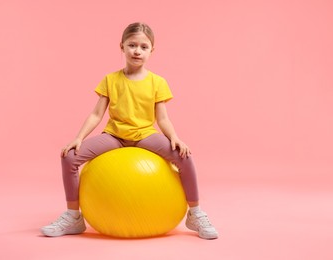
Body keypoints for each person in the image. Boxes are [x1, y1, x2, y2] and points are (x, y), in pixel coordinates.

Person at [41, 22, 218, 240]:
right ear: (122, 47)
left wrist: (175, 138)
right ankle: (73, 216)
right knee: (69, 157)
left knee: (185, 156)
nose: (137, 51)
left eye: (144, 47)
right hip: (114, 136)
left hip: (145, 135)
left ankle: (195, 213)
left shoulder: (158, 82)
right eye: (132, 45)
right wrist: (78, 138)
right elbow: (96, 114)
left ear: (151, 51)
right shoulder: (110, 79)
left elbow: (162, 118)